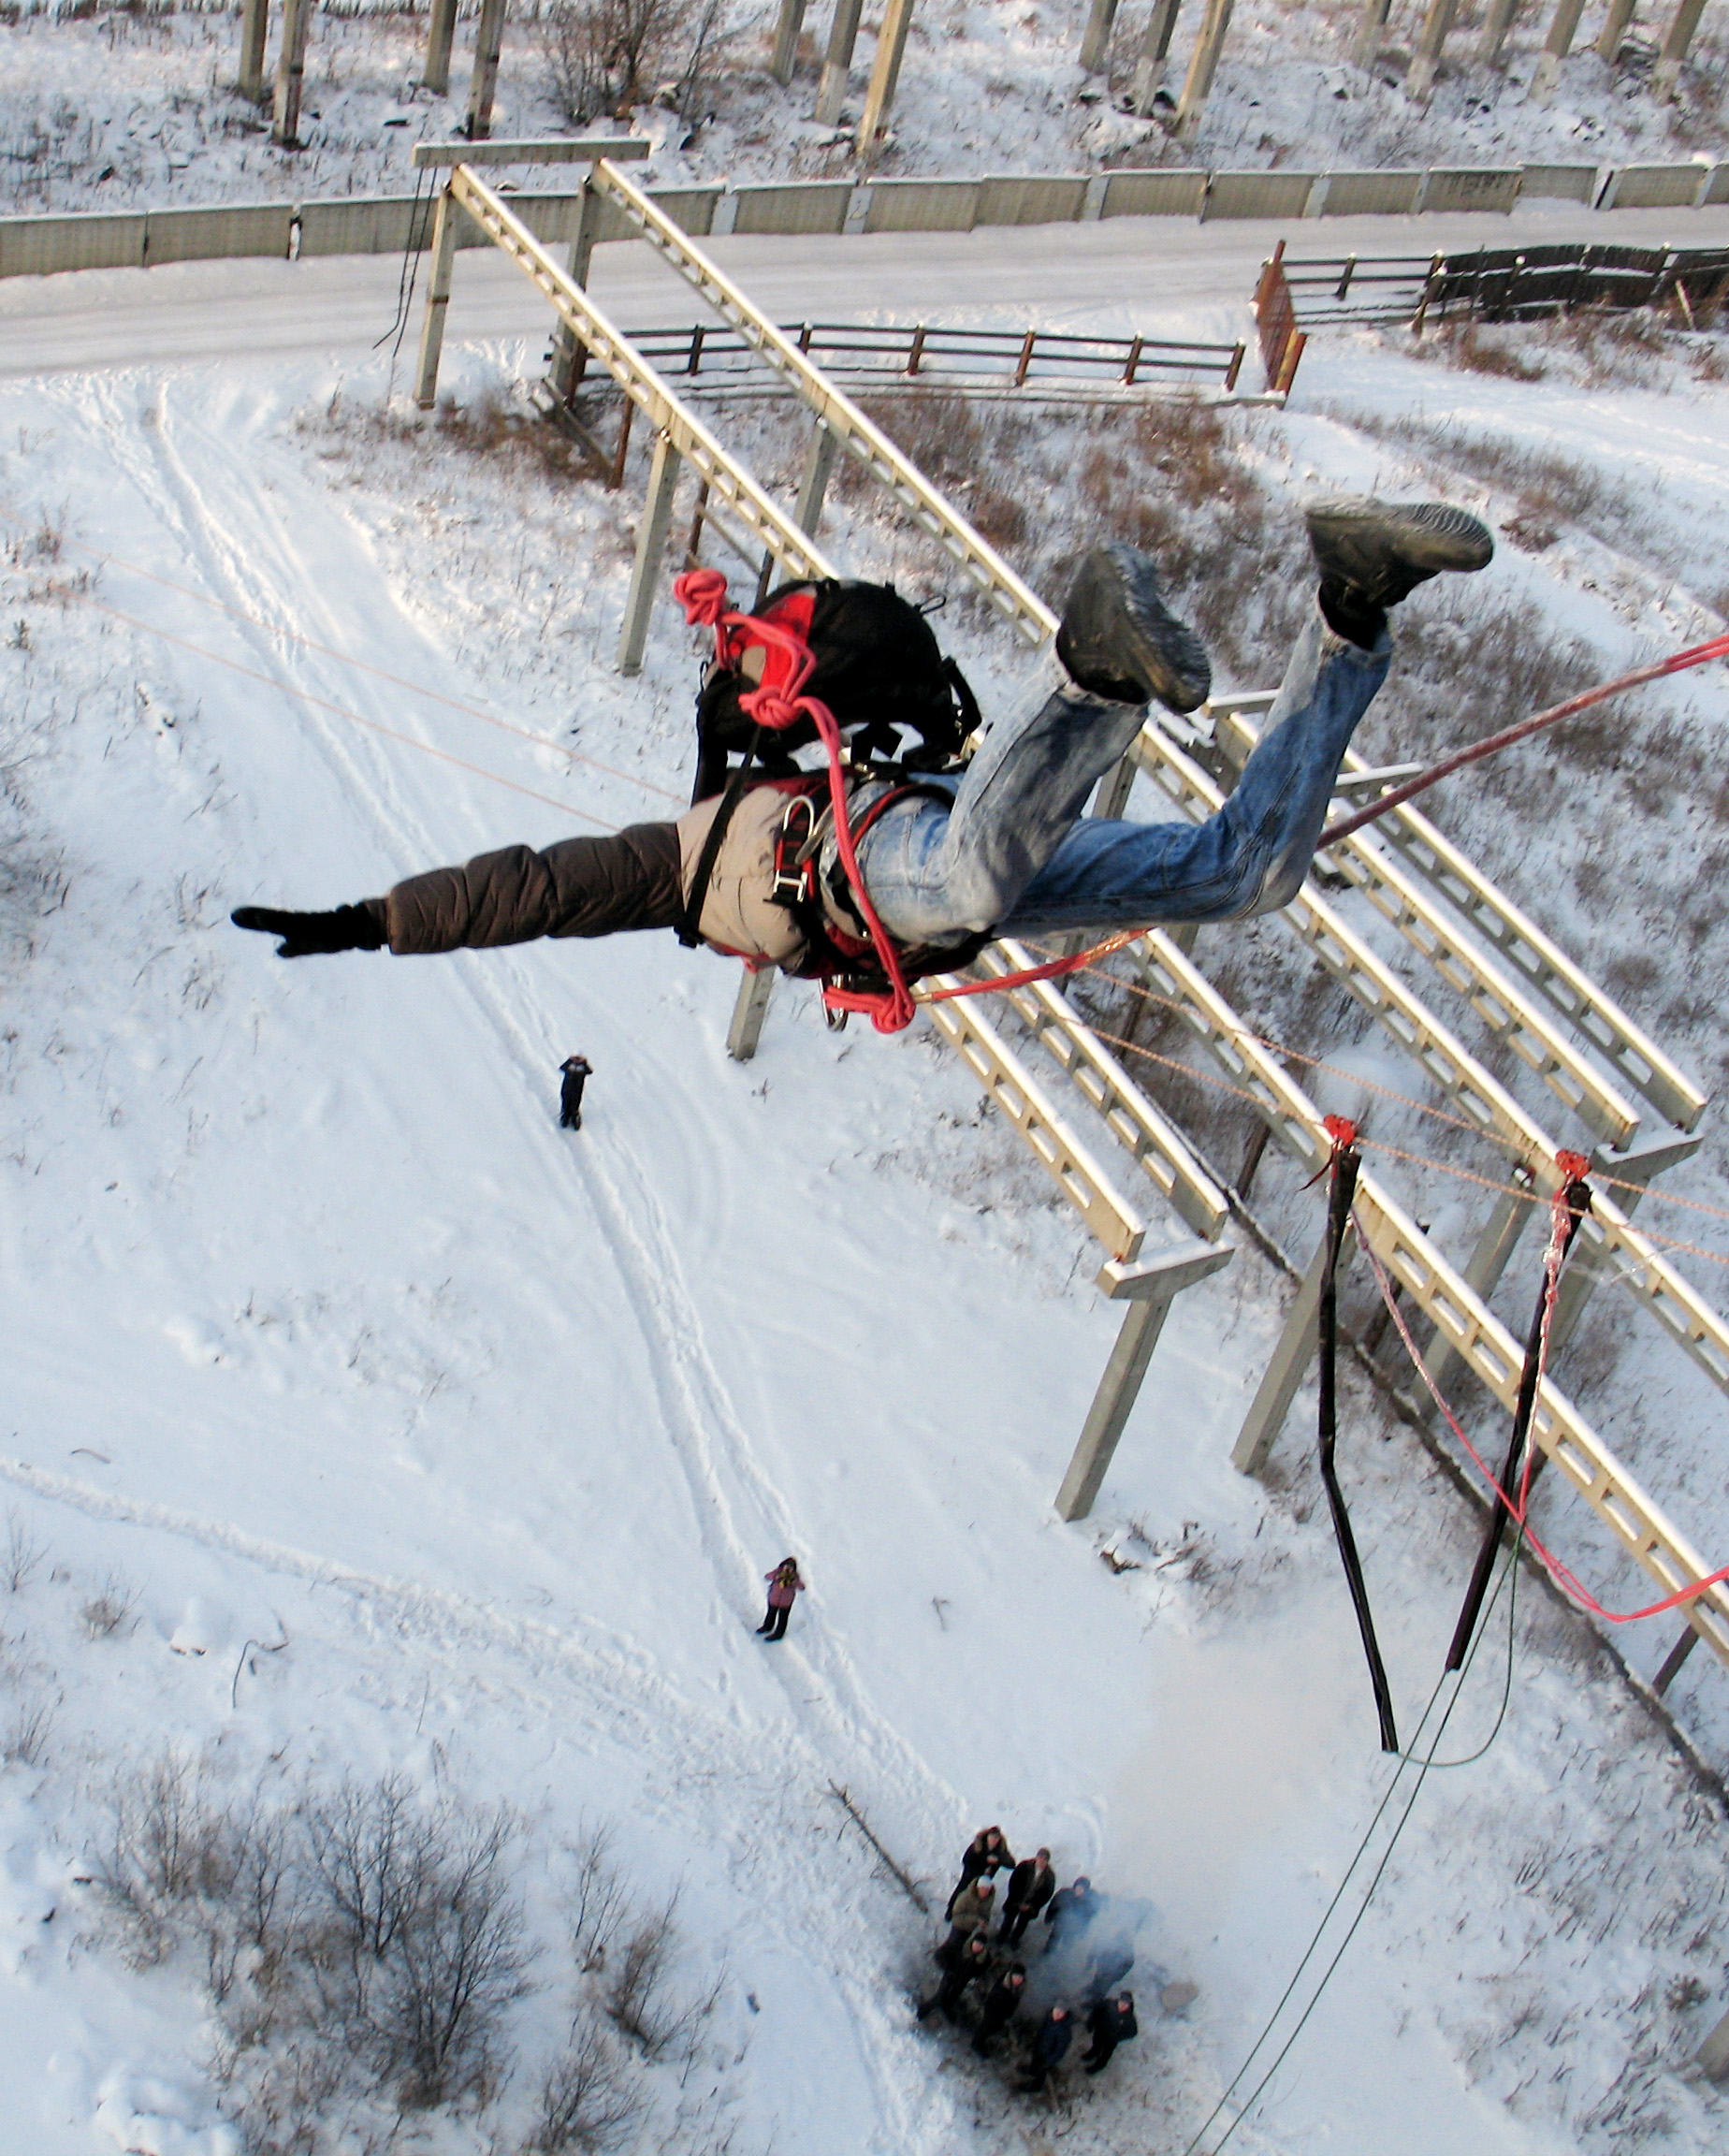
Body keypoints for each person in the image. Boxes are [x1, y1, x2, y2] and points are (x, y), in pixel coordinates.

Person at [230, 504, 1493, 1012]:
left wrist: (378, 920)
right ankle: (1352, 607)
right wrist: (374, 930)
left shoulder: (675, 860)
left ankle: (1095, 671)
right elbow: (527, 899)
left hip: (866, 853)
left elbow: (533, 889)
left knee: (967, 880)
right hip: (928, 851)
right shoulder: (702, 858)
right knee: (1241, 876)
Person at [916, 1929, 991, 2022]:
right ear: (972, 1941)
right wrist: (948, 1968)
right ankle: (922, 2011)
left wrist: (973, 1975)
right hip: (950, 1975)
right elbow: (941, 1954)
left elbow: (982, 1969)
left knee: (953, 1998)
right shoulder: (961, 1947)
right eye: (976, 1943)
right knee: (940, 1996)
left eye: (980, 1945)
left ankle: (946, 2009)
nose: (977, 1947)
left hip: (962, 1980)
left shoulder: (984, 1958)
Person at [946, 1826, 1014, 1919]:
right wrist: (985, 1860)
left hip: (985, 1878)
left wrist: (998, 1860)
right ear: (987, 1837)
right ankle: (951, 1909)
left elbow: (1011, 1864)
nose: (993, 1841)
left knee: (979, 1895)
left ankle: (971, 1913)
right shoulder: (978, 1845)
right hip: (971, 1873)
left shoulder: (1000, 1849)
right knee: (962, 1890)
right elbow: (966, 1860)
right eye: (992, 1838)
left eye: (996, 1838)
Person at [999, 1846, 1054, 1945]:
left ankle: (1014, 1941)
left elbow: (1047, 1894)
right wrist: (1016, 1900)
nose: (1042, 1861)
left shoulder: (1049, 1876)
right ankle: (1001, 1937)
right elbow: (1013, 1882)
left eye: (1045, 1859)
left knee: (1022, 1924)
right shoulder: (1024, 1866)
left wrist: (1033, 1905)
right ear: (1036, 1857)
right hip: (1016, 1899)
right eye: (1040, 1857)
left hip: (1031, 1905)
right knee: (1008, 1920)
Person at [1017, 2002, 1073, 2093]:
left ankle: (1036, 2086)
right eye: (1056, 2010)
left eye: (1060, 2012)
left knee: (1041, 2072)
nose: (1056, 2014)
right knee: (1035, 2062)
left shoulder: (1064, 2031)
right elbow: (1042, 2031)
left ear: (1065, 2014)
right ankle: (1032, 2070)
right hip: (1039, 2049)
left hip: (1046, 2057)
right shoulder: (1049, 2018)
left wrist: (1048, 2061)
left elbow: (1060, 2051)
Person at [971, 1960, 1026, 2054]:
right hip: (993, 2011)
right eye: (1016, 1976)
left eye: (1020, 1977)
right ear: (1011, 1975)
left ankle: (979, 2041)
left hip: (1002, 2014)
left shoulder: (1017, 1989)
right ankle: (976, 2043)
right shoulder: (1003, 1986)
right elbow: (994, 2000)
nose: (1018, 1980)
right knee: (986, 2027)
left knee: (992, 2028)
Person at [1082, 1990, 1139, 2075]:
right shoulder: (1108, 2004)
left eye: (1126, 2004)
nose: (1122, 2006)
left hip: (1111, 2040)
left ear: (1129, 2005)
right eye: (1122, 2002)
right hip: (1100, 2031)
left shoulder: (1129, 2018)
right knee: (1096, 2043)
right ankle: (1094, 2053)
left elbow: (1133, 2032)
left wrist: (1117, 2038)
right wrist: (1091, 2023)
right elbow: (1096, 2010)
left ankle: (1099, 2065)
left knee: (1106, 2053)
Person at [939, 1876, 996, 1957]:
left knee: (963, 1948)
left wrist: (985, 1922)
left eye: (987, 1890)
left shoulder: (988, 1900)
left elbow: (986, 1913)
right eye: (983, 1889)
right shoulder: (964, 1897)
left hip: (971, 1929)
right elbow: (956, 1916)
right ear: (978, 1888)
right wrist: (975, 1919)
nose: (985, 1892)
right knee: (952, 1945)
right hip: (959, 1926)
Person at [1042, 1874, 1096, 1955]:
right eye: (1078, 1888)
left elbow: (1087, 1918)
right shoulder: (1064, 1893)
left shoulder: (1087, 1903)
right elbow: (1053, 1905)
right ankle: (1046, 1954)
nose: (1079, 1891)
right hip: (1059, 1924)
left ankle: (1061, 1958)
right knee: (1052, 1942)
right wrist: (1048, 1918)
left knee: (1067, 1947)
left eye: (1082, 1889)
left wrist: (1083, 1931)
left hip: (1072, 1929)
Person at [755, 1558, 805, 1639]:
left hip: (786, 1602)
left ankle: (779, 1633)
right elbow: (767, 1577)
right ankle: (767, 1626)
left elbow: (802, 1587)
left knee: (783, 1618)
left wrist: (794, 1582)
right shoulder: (778, 1572)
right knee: (771, 1614)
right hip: (774, 1599)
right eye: (787, 1566)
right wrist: (776, 1576)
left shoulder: (795, 1577)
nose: (788, 1569)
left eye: (790, 1567)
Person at [558, 1054, 591, 1129]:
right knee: (566, 1103)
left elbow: (589, 1071)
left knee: (575, 1105)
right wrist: (570, 1060)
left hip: (577, 1091)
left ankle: (574, 1118)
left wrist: (584, 1063)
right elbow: (562, 1068)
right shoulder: (569, 1066)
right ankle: (565, 1116)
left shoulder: (582, 1068)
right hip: (567, 1089)